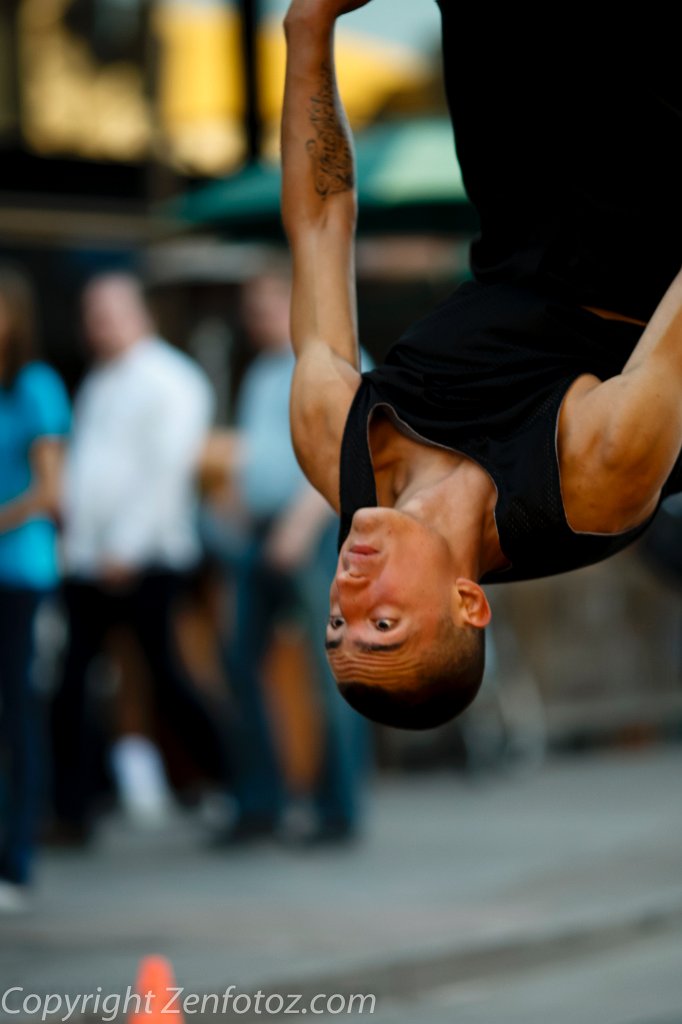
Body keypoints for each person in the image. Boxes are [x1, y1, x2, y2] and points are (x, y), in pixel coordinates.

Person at [281, 0, 682, 730]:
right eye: (384, 626)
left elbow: (319, 226)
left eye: (336, 629)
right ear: (469, 602)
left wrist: (309, 31)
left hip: (510, 166)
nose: (347, 600)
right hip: (647, 167)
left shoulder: (334, 439)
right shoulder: (593, 479)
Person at [48, 272, 231, 841]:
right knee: (73, 681)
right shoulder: (99, 382)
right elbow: (85, 467)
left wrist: (126, 546)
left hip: (146, 557)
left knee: (167, 678)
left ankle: (234, 780)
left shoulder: (170, 378)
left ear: (138, 313)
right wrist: (76, 546)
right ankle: (74, 808)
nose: (99, 325)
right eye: (92, 314)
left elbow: (166, 473)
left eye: (110, 313)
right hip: (89, 560)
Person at [214, 272, 370, 845]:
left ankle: (338, 812)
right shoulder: (259, 372)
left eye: (265, 303)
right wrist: (235, 500)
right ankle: (259, 804)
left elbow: (352, 454)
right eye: (249, 306)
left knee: (331, 671)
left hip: (316, 536)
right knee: (237, 662)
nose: (254, 315)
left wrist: (300, 525)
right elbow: (252, 454)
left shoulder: (337, 361)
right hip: (259, 535)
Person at [0, 266, 71, 910]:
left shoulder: (37, 387)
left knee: (17, 710)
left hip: (20, 571)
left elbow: (52, 491)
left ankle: (16, 859)